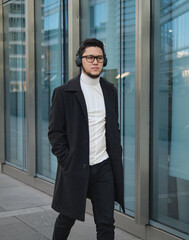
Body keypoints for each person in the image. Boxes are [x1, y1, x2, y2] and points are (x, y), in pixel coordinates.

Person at [48, 38, 125, 240]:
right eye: (89, 57)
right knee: (67, 218)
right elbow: (55, 133)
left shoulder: (110, 91)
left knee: (106, 223)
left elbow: (112, 128)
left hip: (103, 167)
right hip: (75, 167)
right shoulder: (64, 93)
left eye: (99, 58)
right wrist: (67, 159)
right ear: (79, 60)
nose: (95, 61)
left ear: (104, 61)